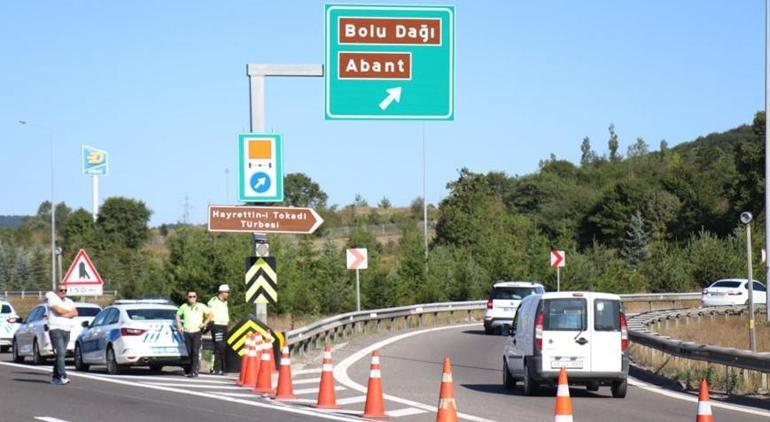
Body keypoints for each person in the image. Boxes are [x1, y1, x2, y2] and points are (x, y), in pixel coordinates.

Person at [46, 284, 78, 385]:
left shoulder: (69, 301)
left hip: (67, 329)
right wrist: (68, 313)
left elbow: (75, 313)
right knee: (60, 353)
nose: (63, 292)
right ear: (57, 291)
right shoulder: (52, 299)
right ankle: (62, 375)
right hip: (55, 329)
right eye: (61, 290)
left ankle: (55, 378)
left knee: (61, 354)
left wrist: (65, 314)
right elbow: (58, 311)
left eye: (65, 290)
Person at [176, 290, 212, 377]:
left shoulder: (201, 306)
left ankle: (194, 371)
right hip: (187, 332)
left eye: (194, 296)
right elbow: (177, 315)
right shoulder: (184, 306)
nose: (192, 298)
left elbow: (211, 314)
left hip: (197, 331)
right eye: (190, 296)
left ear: (196, 297)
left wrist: (204, 323)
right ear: (187, 297)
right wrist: (179, 325)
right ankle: (192, 369)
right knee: (190, 352)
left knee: (195, 351)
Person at [207, 284, 230, 375]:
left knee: (223, 347)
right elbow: (208, 313)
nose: (228, 294)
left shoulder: (225, 302)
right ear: (221, 292)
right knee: (219, 346)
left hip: (224, 325)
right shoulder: (213, 301)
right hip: (216, 325)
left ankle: (221, 368)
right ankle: (215, 368)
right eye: (227, 292)